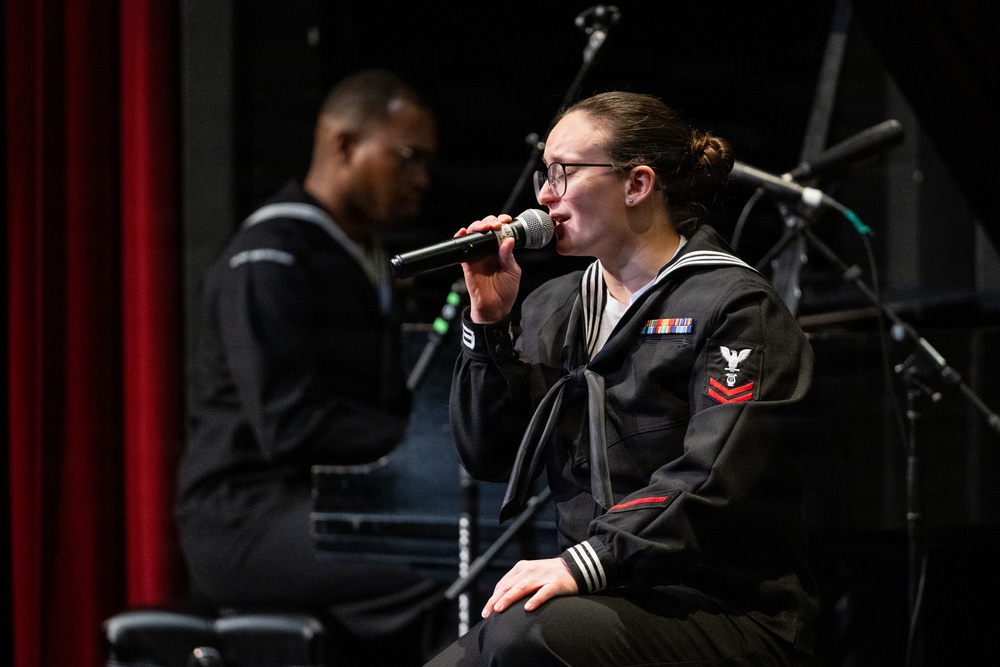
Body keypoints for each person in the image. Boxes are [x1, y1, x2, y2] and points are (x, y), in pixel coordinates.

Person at [427, 91, 817, 666]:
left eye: (565, 172)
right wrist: (489, 324)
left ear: (637, 184)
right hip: (604, 598)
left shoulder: (735, 307)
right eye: (544, 173)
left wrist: (583, 562)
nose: (544, 194)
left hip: (722, 608)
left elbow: (708, 481)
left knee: (525, 639)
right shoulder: (558, 306)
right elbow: (488, 456)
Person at [176, 69, 447, 665]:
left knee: (468, 544)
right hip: (246, 516)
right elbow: (290, 424)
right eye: (408, 158)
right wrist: (424, 447)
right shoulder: (271, 255)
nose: (421, 180)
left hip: (326, 501)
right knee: (448, 560)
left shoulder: (363, 257)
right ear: (344, 146)